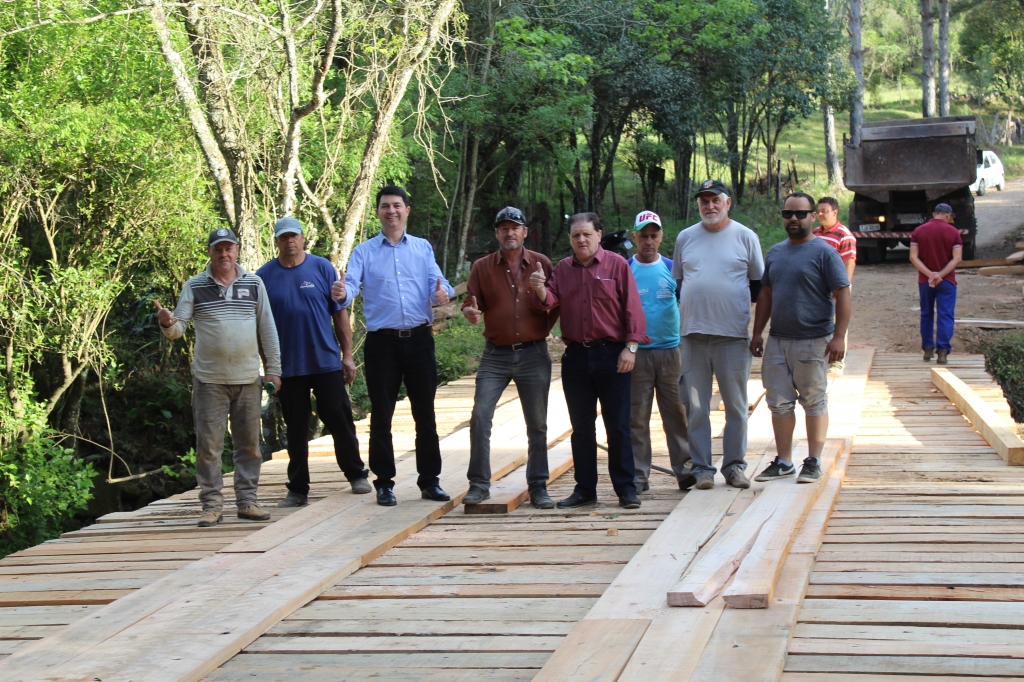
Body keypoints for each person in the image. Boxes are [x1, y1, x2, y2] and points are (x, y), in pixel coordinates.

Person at [156, 228, 281, 527]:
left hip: (249, 378)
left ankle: (247, 502)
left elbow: (267, 328)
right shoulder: (196, 286)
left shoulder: (254, 284)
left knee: (250, 445)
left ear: (237, 250)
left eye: (229, 248)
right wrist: (166, 323)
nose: (224, 254)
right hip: (209, 380)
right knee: (209, 447)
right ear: (210, 252)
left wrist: (274, 369)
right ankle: (211, 505)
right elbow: (178, 328)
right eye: (218, 249)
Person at [342, 185, 456, 506]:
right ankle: (384, 482)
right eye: (384, 206)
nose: (391, 211)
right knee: (381, 415)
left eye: (396, 205)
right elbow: (350, 284)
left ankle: (429, 481)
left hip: (419, 340)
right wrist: (342, 293)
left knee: (426, 415)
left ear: (407, 210)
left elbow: (439, 285)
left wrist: (444, 293)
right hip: (382, 345)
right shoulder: (364, 251)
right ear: (377, 212)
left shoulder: (422, 248)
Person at [530, 212, 647, 509]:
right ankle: (585, 489)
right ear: (570, 239)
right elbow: (550, 300)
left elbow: (633, 308)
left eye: (586, 234)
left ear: (598, 234)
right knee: (581, 427)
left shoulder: (617, 265)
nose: (581, 240)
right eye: (575, 236)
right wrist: (540, 287)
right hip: (576, 357)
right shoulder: (563, 269)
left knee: (618, 424)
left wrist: (630, 348)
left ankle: (625, 489)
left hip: (613, 354)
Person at [256, 217, 369, 508]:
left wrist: (347, 355)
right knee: (295, 429)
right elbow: (258, 326)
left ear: (303, 238)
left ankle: (356, 474)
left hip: (325, 361)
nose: (289, 241)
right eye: (284, 237)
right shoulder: (264, 277)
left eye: (294, 236)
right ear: (277, 241)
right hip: (288, 367)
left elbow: (340, 313)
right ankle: (297, 490)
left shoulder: (321, 268)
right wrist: (270, 367)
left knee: (340, 420)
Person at [461, 207, 558, 508]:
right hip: (495, 355)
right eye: (503, 228)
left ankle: (538, 486)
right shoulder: (482, 267)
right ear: (497, 233)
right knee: (480, 416)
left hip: (533, 353)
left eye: (515, 227)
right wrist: (470, 313)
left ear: (525, 232)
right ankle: (478, 484)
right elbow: (469, 303)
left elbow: (555, 302)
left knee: (537, 423)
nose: (509, 232)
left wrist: (543, 321)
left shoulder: (541, 264)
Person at [750, 193, 851, 484]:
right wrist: (758, 332)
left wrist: (839, 336)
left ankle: (814, 460)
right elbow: (766, 293)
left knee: (813, 400)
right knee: (779, 403)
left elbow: (842, 293)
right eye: (788, 214)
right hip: (778, 340)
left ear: (812, 217)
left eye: (800, 214)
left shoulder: (824, 253)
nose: (793, 219)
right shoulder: (776, 252)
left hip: (813, 339)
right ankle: (784, 462)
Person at [672, 180, 764, 491]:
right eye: (703, 201)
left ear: (728, 203)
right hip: (693, 336)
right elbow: (680, 282)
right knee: (697, 406)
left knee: (736, 405)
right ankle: (702, 470)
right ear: (698, 205)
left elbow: (757, 284)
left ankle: (735, 466)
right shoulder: (686, 237)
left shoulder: (745, 237)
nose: (709, 206)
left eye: (715, 200)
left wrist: (752, 327)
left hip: (732, 336)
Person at [627, 210, 692, 492]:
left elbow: (686, 304)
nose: (649, 241)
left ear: (662, 237)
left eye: (654, 235)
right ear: (634, 237)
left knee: (676, 414)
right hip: (637, 353)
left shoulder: (672, 268)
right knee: (636, 415)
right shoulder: (625, 269)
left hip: (671, 352)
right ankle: (638, 475)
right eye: (643, 236)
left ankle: (685, 471)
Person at [909, 203, 962, 365]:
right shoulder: (953, 232)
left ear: (934, 214)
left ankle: (927, 350)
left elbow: (913, 257)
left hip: (925, 281)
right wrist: (940, 274)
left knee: (926, 314)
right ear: (947, 215)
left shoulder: (919, 231)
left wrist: (930, 274)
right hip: (947, 281)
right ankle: (943, 352)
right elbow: (957, 258)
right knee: (945, 314)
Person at [813, 197, 857, 375]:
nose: (821, 214)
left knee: (838, 324)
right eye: (819, 211)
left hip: (836, 286)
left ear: (835, 213)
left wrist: (842, 288)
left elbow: (849, 262)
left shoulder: (844, 235)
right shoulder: (815, 233)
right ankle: (820, 357)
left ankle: (837, 361)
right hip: (817, 286)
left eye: (825, 211)